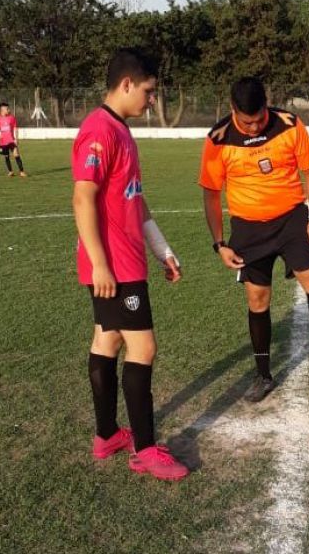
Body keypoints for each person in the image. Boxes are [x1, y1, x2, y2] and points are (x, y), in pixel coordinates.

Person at [199, 77, 309, 403]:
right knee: (258, 300)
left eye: (259, 119)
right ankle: (263, 375)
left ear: (267, 103)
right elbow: (211, 194)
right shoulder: (218, 139)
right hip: (248, 228)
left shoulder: (288, 124)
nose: (255, 126)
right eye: (247, 121)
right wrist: (220, 243)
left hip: (292, 220)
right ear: (232, 111)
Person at [71, 48, 188, 481]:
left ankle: (107, 436)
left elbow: (134, 199)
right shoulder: (99, 131)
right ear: (126, 85)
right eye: (149, 91)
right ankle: (145, 449)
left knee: (108, 341)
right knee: (144, 348)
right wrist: (101, 265)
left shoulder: (120, 130)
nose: (152, 100)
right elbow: (82, 197)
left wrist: (163, 250)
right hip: (116, 266)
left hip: (126, 260)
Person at [0, 103, 26, 177]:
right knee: (6, 156)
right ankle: (10, 171)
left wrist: (16, 138)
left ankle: (22, 172)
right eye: (7, 109)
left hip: (12, 140)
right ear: (2, 110)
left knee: (16, 155)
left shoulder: (11, 118)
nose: (9, 110)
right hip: (3, 142)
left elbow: (16, 128)